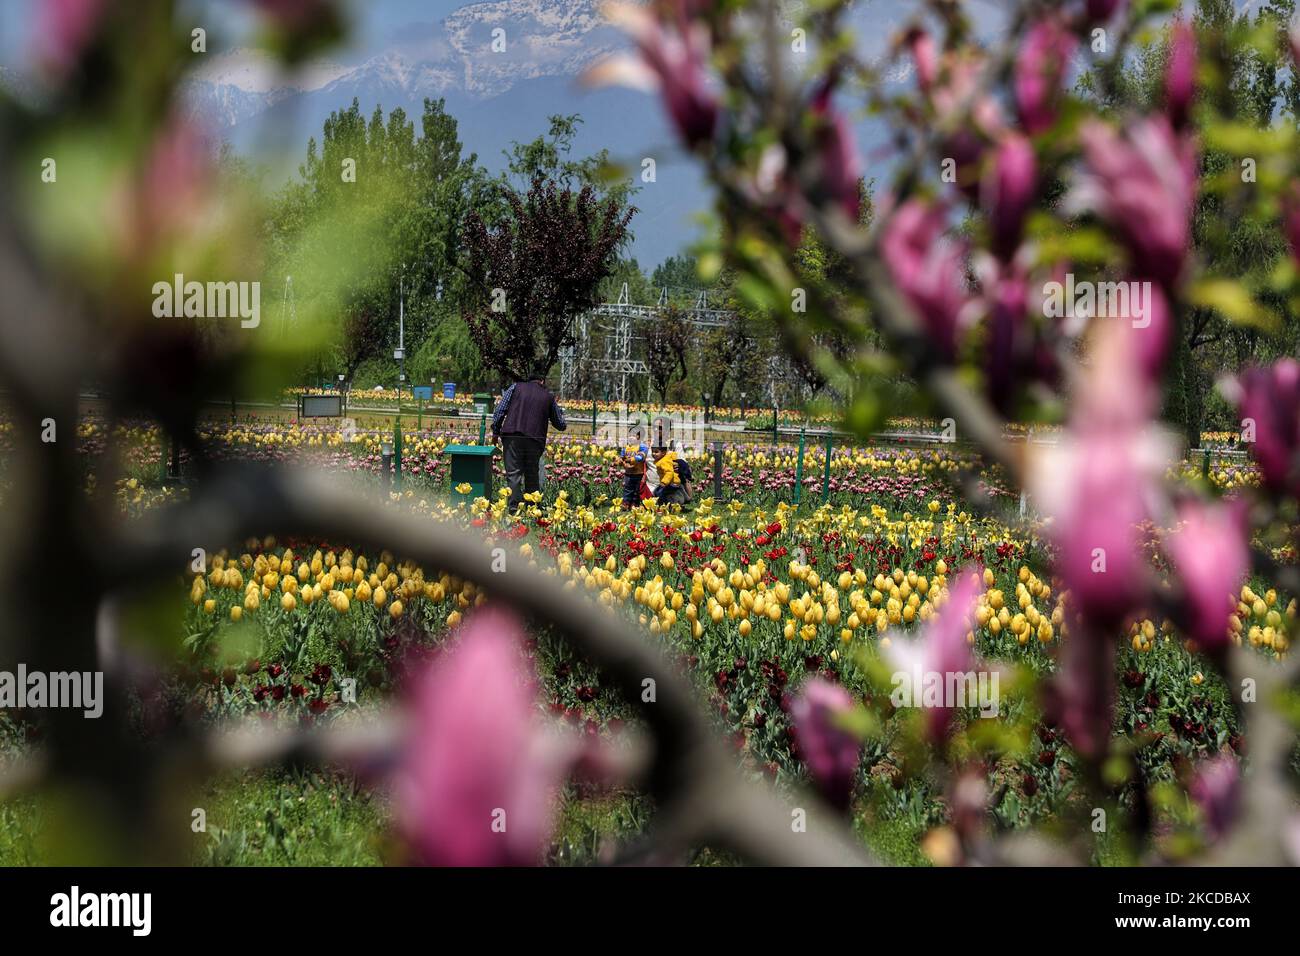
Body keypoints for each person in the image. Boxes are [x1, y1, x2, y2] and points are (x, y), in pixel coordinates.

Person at [490, 367, 566, 512]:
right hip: (534, 439)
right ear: (542, 381)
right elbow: (560, 424)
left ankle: (514, 509)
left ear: (529, 379)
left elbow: (500, 410)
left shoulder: (515, 387)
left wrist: (496, 431)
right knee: (532, 474)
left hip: (512, 436)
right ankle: (532, 509)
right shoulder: (548, 396)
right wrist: (561, 419)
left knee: (513, 475)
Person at [620, 438, 650, 509]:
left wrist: (631, 460)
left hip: (638, 473)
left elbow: (641, 457)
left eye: (634, 435)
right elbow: (622, 456)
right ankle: (626, 502)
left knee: (637, 489)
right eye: (630, 435)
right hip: (628, 472)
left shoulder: (642, 446)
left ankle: (635, 503)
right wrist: (619, 461)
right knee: (627, 488)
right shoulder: (626, 447)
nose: (631, 437)